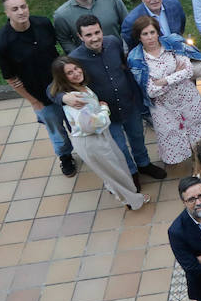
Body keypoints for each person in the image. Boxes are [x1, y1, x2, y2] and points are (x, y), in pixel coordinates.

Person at [63, 16, 166, 181]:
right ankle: (131, 173)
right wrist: (63, 97)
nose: (95, 38)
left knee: (138, 138)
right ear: (80, 36)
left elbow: (124, 66)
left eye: (97, 32)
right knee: (119, 147)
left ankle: (144, 164)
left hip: (129, 104)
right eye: (88, 35)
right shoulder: (75, 58)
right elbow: (52, 88)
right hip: (107, 113)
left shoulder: (113, 42)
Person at [0, 0, 75, 177]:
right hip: (40, 95)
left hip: (63, 86)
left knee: (75, 121)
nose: (21, 12)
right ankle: (65, 157)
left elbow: (55, 50)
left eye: (23, 6)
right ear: (7, 13)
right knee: (57, 131)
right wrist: (33, 101)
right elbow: (11, 78)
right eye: (15, 9)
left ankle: (85, 148)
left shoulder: (43, 23)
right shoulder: (2, 44)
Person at [50, 56, 147, 209]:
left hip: (98, 138)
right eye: (69, 73)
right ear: (63, 78)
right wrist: (104, 109)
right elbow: (92, 125)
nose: (76, 73)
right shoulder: (76, 99)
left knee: (112, 166)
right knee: (116, 171)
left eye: (76, 68)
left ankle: (115, 190)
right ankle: (133, 200)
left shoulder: (79, 88)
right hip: (92, 140)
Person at [126, 16, 201, 165]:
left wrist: (163, 81)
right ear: (139, 37)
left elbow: (188, 70)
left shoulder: (172, 44)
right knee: (175, 137)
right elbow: (151, 91)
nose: (150, 37)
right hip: (164, 108)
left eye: (152, 32)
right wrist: (175, 75)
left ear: (158, 32)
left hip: (189, 99)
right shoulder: (136, 59)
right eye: (145, 34)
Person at [53, 0, 128, 53]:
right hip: (88, 62)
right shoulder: (62, 15)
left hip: (119, 54)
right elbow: (64, 40)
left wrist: (126, 49)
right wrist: (78, 58)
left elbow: (128, 24)